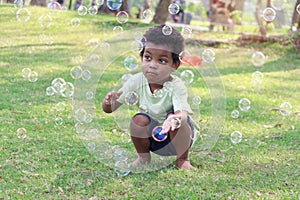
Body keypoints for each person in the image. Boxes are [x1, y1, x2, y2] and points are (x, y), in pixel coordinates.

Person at [102, 25, 196, 170]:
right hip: (152, 140)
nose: (152, 65)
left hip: (177, 139)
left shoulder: (176, 86)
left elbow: (181, 113)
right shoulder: (136, 81)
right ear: (142, 58)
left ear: (175, 65)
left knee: (180, 122)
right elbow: (110, 109)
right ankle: (143, 157)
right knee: (138, 119)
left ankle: (183, 159)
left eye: (162, 61)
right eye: (148, 57)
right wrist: (109, 102)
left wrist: (174, 119)